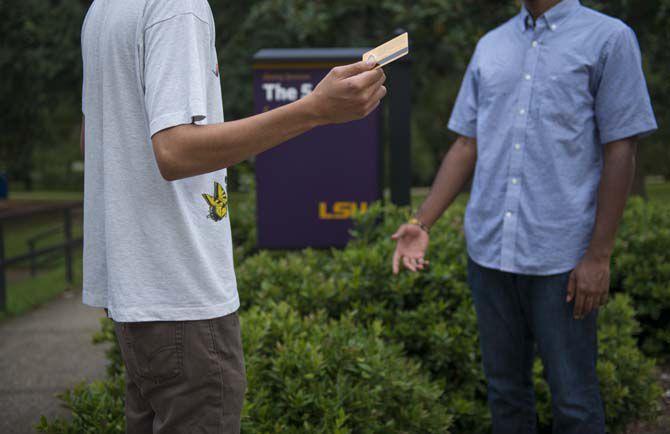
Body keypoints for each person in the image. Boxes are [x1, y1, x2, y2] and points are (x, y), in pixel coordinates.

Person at [80, 0, 386, 432]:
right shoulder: (177, 6)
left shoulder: (105, 8)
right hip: (182, 296)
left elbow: (93, 141)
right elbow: (175, 150)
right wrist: (315, 109)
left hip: (139, 297)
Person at [391, 0, 656, 432]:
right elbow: (466, 144)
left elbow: (620, 147)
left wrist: (598, 256)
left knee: (574, 400)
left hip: (564, 261)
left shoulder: (609, 39)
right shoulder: (490, 45)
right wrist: (422, 223)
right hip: (489, 257)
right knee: (505, 395)